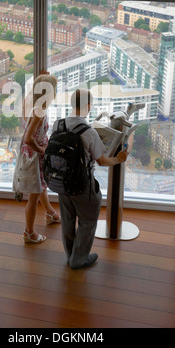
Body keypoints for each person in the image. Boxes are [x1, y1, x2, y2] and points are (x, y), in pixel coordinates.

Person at [52, 88, 128, 269]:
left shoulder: (58, 124)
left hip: (61, 181)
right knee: (87, 220)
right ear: (88, 105)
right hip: (81, 184)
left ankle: (70, 254)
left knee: (68, 218)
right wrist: (118, 159)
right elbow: (101, 161)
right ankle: (79, 259)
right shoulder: (88, 131)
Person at [19, 73, 61, 244]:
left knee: (40, 186)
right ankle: (29, 232)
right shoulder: (39, 112)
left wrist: (44, 78)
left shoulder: (28, 98)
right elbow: (28, 138)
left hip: (29, 154)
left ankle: (50, 212)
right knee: (33, 196)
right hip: (35, 155)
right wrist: (42, 149)